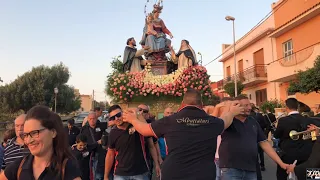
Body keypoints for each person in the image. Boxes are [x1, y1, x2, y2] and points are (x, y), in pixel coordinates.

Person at [122, 89, 244, 180]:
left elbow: (145, 129)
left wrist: (133, 119)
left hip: (174, 173)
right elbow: (225, 120)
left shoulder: (170, 120)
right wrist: (232, 112)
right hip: (203, 174)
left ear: (182, 103)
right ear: (201, 104)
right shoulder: (212, 122)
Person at [0, 105, 81, 180]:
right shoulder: (19, 166)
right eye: (26, 135)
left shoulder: (67, 167)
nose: (29, 140)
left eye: (34, 133)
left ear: (53, 132)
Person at [219, 95, 288, 180]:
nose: (249, 108)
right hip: (231, 169)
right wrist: (231, 111)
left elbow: (264, 143)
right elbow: (220, 125)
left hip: (251, 169)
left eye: (250, 105)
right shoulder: (229, 120)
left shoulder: (252, 121)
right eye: (246, 105)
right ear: (237, 106)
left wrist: (280, 163)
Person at [104, 105, 155, 180]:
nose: (116, 118)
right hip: (120, 174)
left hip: (140, 172)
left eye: (118, 115)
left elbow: (146, 128)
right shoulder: (113, 133)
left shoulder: (135, 124)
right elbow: (110, 154)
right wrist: (106, 175)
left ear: (123, 113)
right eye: (112, 118)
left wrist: (136, 112)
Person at [274, 98, 314, 180]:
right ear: (298, 107)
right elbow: (312, 137)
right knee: (310, 176)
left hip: (288, 154)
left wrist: (276, 127)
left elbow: (277, 135)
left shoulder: (283, 120)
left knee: (281, 175)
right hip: (306, 155)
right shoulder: (308, 119)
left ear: (286, 107)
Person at [80, 111, 110, 180]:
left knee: (99, 174)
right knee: (91, 173)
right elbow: (80, 140)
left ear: (96, 119)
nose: (92, 120)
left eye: (93, 118)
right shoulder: (84, 129)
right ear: (88, 119)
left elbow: (111, 123)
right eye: (90, 119)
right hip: (90, 154)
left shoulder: (100, 125)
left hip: (101, 153)